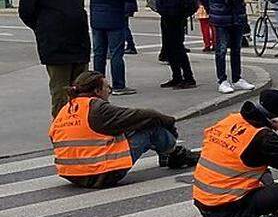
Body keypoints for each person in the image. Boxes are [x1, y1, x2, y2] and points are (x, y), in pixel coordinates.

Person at [49, 71, 198, 188]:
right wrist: (168, 122)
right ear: (97, 91)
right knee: (151, 127)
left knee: (129, 128)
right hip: (100, 175)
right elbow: (144, 115)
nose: (109, 91)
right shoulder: (97, 108)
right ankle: (175, 154)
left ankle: (167, 154)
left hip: (71, 174)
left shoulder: (66, 109)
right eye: (107, 88)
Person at [192, 88, 278, 217]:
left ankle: (266, 199)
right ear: (277, 118)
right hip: (229, 210)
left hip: (203, 203)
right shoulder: (263, 137)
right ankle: (275, 209)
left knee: (264, 171)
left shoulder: (230, 120)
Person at [20, 0, 90, 116]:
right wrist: (45, 29)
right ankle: (61, 129)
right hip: (55, 47)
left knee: (82, 91)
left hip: (79, 44)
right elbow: (26, 13)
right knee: (61, 92)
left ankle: (80, 126)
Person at [79, 0, 140, 97]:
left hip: (96, 16)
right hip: (115, 16)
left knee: (99, 53)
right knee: (116, 53)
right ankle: (119, 85)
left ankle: (97, 85)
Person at [197, 0, 254, 94]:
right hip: (220, 14)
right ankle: (222, 80)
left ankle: (237, 78)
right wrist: (213, 8)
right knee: (221, 49)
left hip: (237, 13)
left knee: (236, 48)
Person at [148, 0, 198, 90]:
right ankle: (177, 77)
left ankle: (188, 78)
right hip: (171, 11)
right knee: (170, 46)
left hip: (174, 12)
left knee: (176, 46)